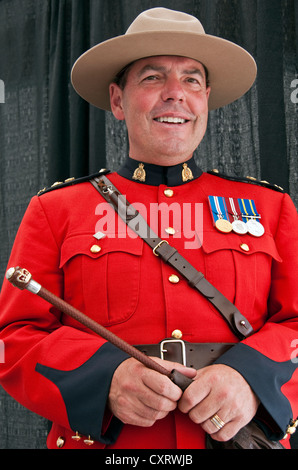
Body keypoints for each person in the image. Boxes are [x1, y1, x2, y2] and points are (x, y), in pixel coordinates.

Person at [0, 7, 298, 450]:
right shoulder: (56, 210)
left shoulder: (270, 208)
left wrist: (251, 380)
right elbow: (14, 340)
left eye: (192, 80)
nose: (175, 94)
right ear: (118, 102)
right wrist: (105, 380)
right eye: (153, 78)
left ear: (206, 99)